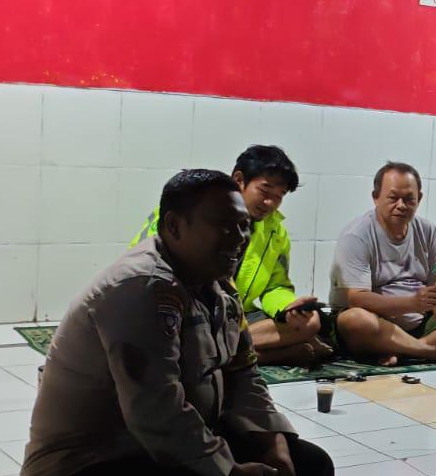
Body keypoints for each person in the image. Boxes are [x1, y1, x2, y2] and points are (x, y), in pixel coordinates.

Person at [23, 169, 334, 476]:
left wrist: (273, 442)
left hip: (170, 444)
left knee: (311, 466)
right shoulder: (142, 287)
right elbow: (156, 411)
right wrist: (229, 471)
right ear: (173, 226)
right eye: (224, 226)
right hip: (92, 464)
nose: (239, 237)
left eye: (244, 225)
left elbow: (243, 374)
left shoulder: (218, 283)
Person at [131, 145, 330, 366]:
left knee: (309, 323)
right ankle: (254, 355)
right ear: (239, 180)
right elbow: (148, 267)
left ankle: (224, 352)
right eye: (265, 191)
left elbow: (276, 286)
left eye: (279, 196)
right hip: (186, 310)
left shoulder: (274, 232)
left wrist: (287, 308)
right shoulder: (191, 212)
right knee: (172, 329)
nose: (271, 203)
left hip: (234, 315)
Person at [329, 161, 436, 364]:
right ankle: (429, 351)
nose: (401, 205)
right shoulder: (357, 236)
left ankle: (400, 350)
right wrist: (412, 303)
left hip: (418, 322)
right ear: (376, 197)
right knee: (355, 321)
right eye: (393, 198)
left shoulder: (427, 231)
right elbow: (357, 299)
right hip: (377, 322)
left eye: (408, 199)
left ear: (419, 199)